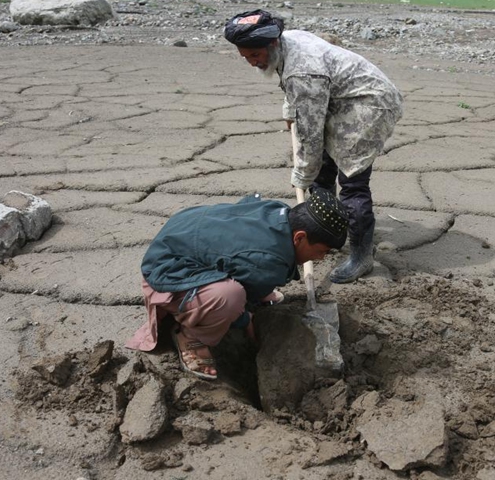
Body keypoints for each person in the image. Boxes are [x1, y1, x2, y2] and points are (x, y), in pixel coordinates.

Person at [223, 10, 403, 284]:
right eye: (245, 56)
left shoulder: (303, 72)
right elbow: (293, 89)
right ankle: (327, 229)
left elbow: (310, 135)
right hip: (339, 98)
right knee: (322, 172)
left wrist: (302, 175)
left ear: (272, 44)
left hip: (369, 105)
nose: (251, 62)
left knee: (351, 182)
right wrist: (289, 109)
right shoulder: (286, 42)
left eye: (255, 55)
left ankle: (361, 256)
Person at [125, 189, 349, 380]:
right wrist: (245, 319)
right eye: (320, 251)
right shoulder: (267, 262)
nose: (319, 259)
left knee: (253, 280)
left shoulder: (278, 211)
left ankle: (247, 289)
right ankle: (190, 336)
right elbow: (244, 302)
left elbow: (247, 204)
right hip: (167, 271)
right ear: (299, 237)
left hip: (179, 235)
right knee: (230, 297)